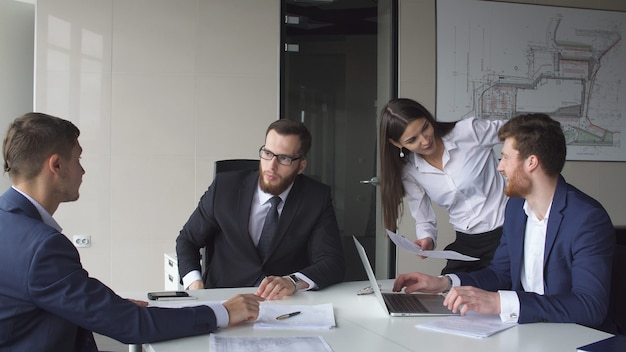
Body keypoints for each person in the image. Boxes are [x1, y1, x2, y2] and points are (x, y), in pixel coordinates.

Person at [0, 112, 264, 352]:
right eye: (78, 159)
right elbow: (132, 327)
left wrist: (110, 307)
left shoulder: (10, 223)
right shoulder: (42, 247)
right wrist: (224, 312)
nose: (83, 170)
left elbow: (51, 292)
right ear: (56, 166)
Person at [393, 113, 614, 329]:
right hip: (530, 330)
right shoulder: (516, 208)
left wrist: (500, 302)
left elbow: (590, 306)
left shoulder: (587, 219)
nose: (499, 167)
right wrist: (444, 283)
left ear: (532, 162)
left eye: (506, 157)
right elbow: (500, 273)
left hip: (574, 337)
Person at [176, 119, 345, 300]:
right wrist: (195, 285)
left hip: (282, 303)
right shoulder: (225, 187)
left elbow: (331, 261)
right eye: (267, 153)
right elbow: (187, 240)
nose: (271, 166)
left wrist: (293, 281)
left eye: (284, 158)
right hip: (226, 298)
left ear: (301, 166)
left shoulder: (315, 197)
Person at [379, 98, 508, 273]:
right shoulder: (409, 170)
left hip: (506, 233)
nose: (425, 141)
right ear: (397, 143)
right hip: (467, 243)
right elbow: (424, 218)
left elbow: (521, 132)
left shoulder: (467, 132)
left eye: (425, 127)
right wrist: (427, 238)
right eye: (412, 140)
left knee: (500, 289)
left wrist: (516, 167)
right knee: (448, 291)